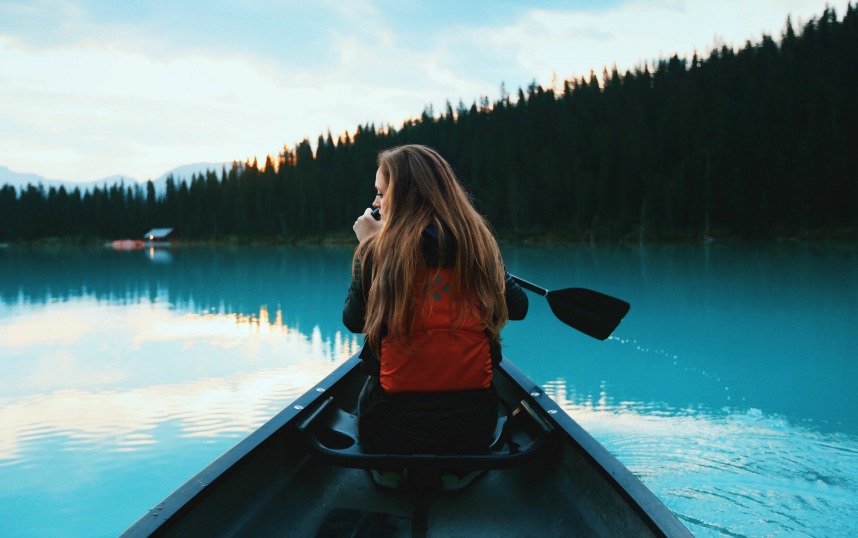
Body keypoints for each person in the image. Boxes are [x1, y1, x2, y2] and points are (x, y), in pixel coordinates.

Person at [343, 144, 528, 454]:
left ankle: (393, 474)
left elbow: (354, 321)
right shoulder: (477, 243)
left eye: (381, 193)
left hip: (391, 429)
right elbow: (518, 307)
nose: (375, 204)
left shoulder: (377, 251)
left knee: (368, 392)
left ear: (403, 197)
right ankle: (459, 472)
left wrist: (370, 246)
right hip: (474, 429)